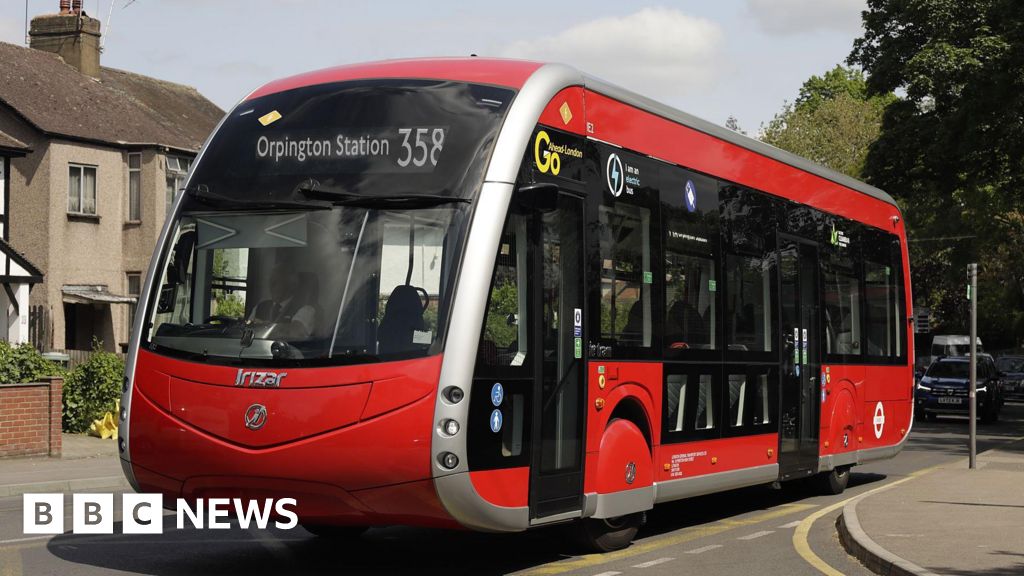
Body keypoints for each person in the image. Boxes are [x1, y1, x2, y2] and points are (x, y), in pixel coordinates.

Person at [249, 261, 316, 338]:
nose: (271, 286)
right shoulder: (260, 306)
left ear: (292, 285)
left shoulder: (307, 310)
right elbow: (247, 330)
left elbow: (295, 332)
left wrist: (263, 326)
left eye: (276, 282)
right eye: (270, 281)